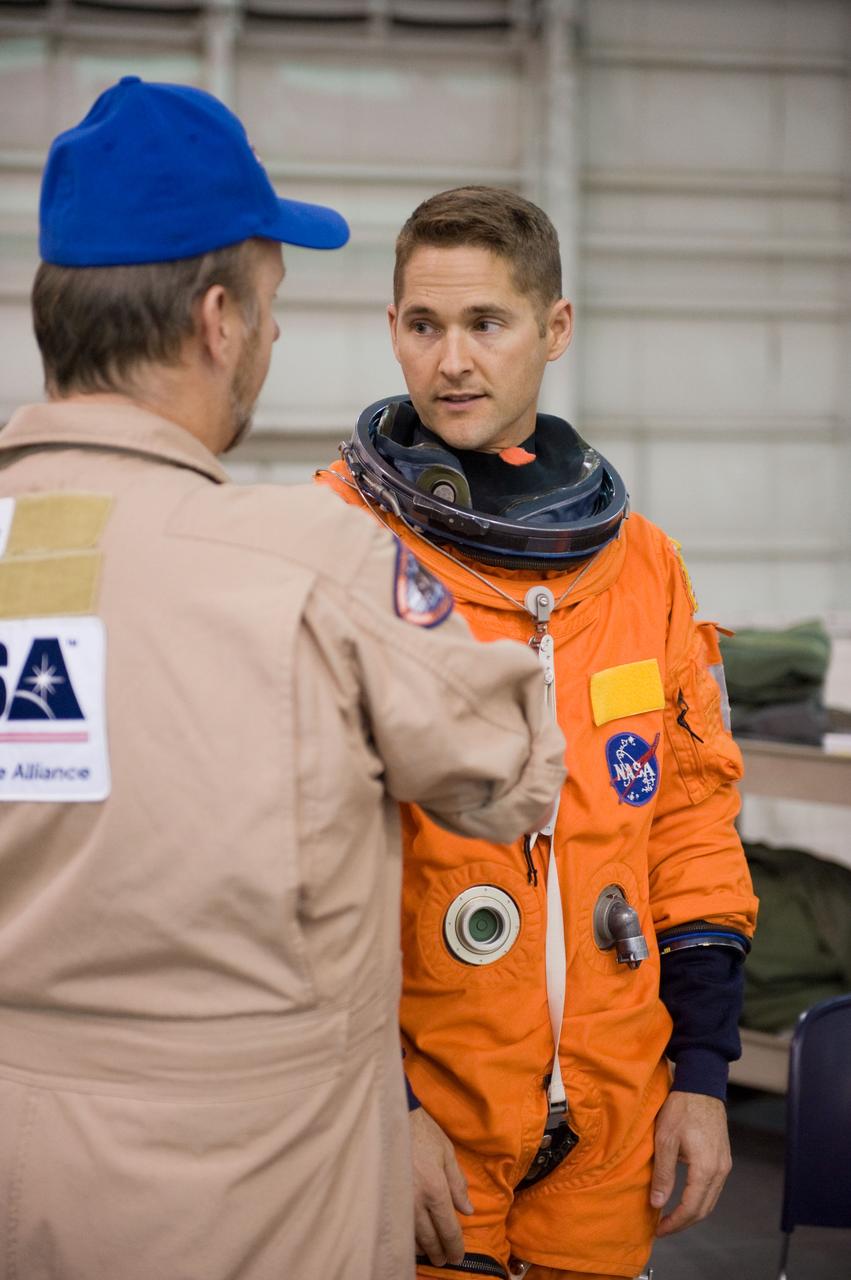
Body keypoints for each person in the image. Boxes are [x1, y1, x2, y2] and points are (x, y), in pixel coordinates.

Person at [0, 93, 567, 1280]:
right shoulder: (314, 561)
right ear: (218, 321)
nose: (270, 340)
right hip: (252, 1204)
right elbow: (514, 776)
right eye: (270, 309)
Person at [318, 186, 759, 1280]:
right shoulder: (332, 542)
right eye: (423, 325)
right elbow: (290, 868)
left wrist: (700, 1076)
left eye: (485, 323)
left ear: (553, 328)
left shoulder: (642, 564)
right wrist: (386, 1102)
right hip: (418, 1123)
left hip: (613, 1124)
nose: (451, 360)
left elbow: (691, 823)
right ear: (391, 331)